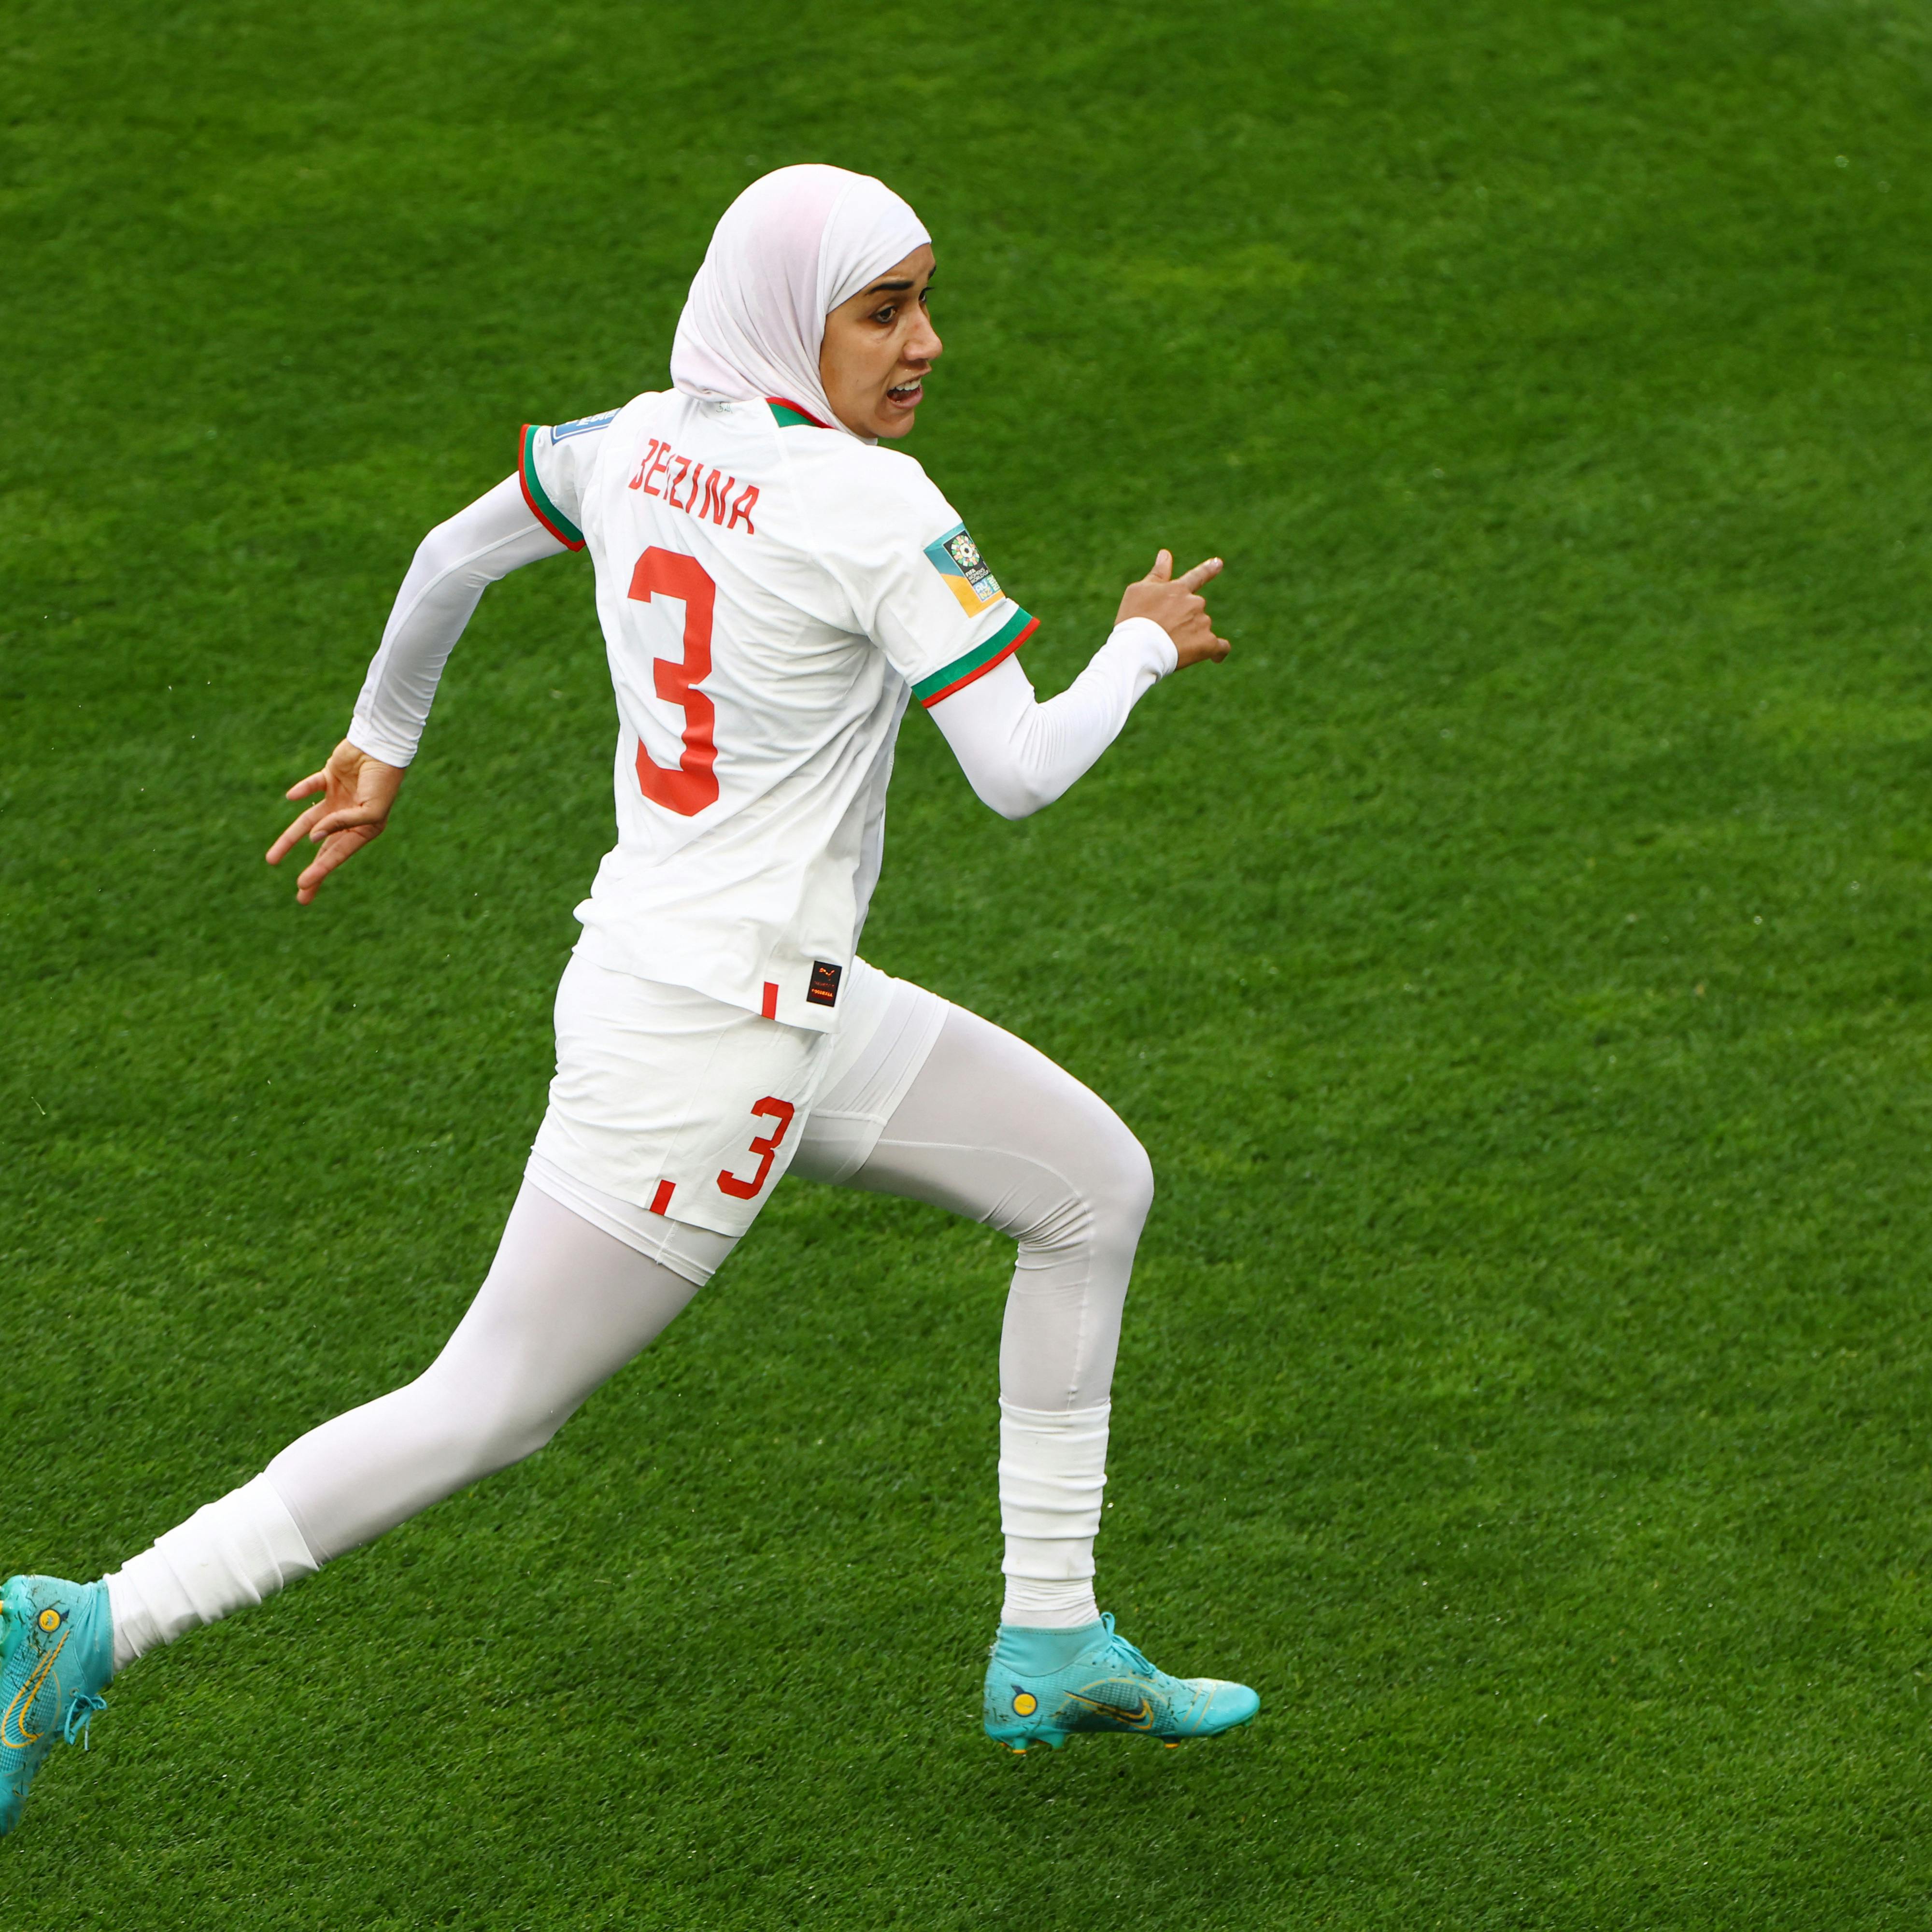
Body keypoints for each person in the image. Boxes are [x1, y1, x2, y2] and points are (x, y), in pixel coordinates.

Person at [0, 164, 1256, 1836]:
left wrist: (385, 739)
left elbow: (455, 550)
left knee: (1092, 1187)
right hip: (715, 1052)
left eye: (925, 301)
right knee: (489, 1405)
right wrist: (1143, 643)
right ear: (791, 318)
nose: (926, 343)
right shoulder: (873, 507)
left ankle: (1050, 1636)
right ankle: (83, 1623)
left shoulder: (642, 440)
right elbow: (1019, 772)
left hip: (751, 1003)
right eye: (883, 310)